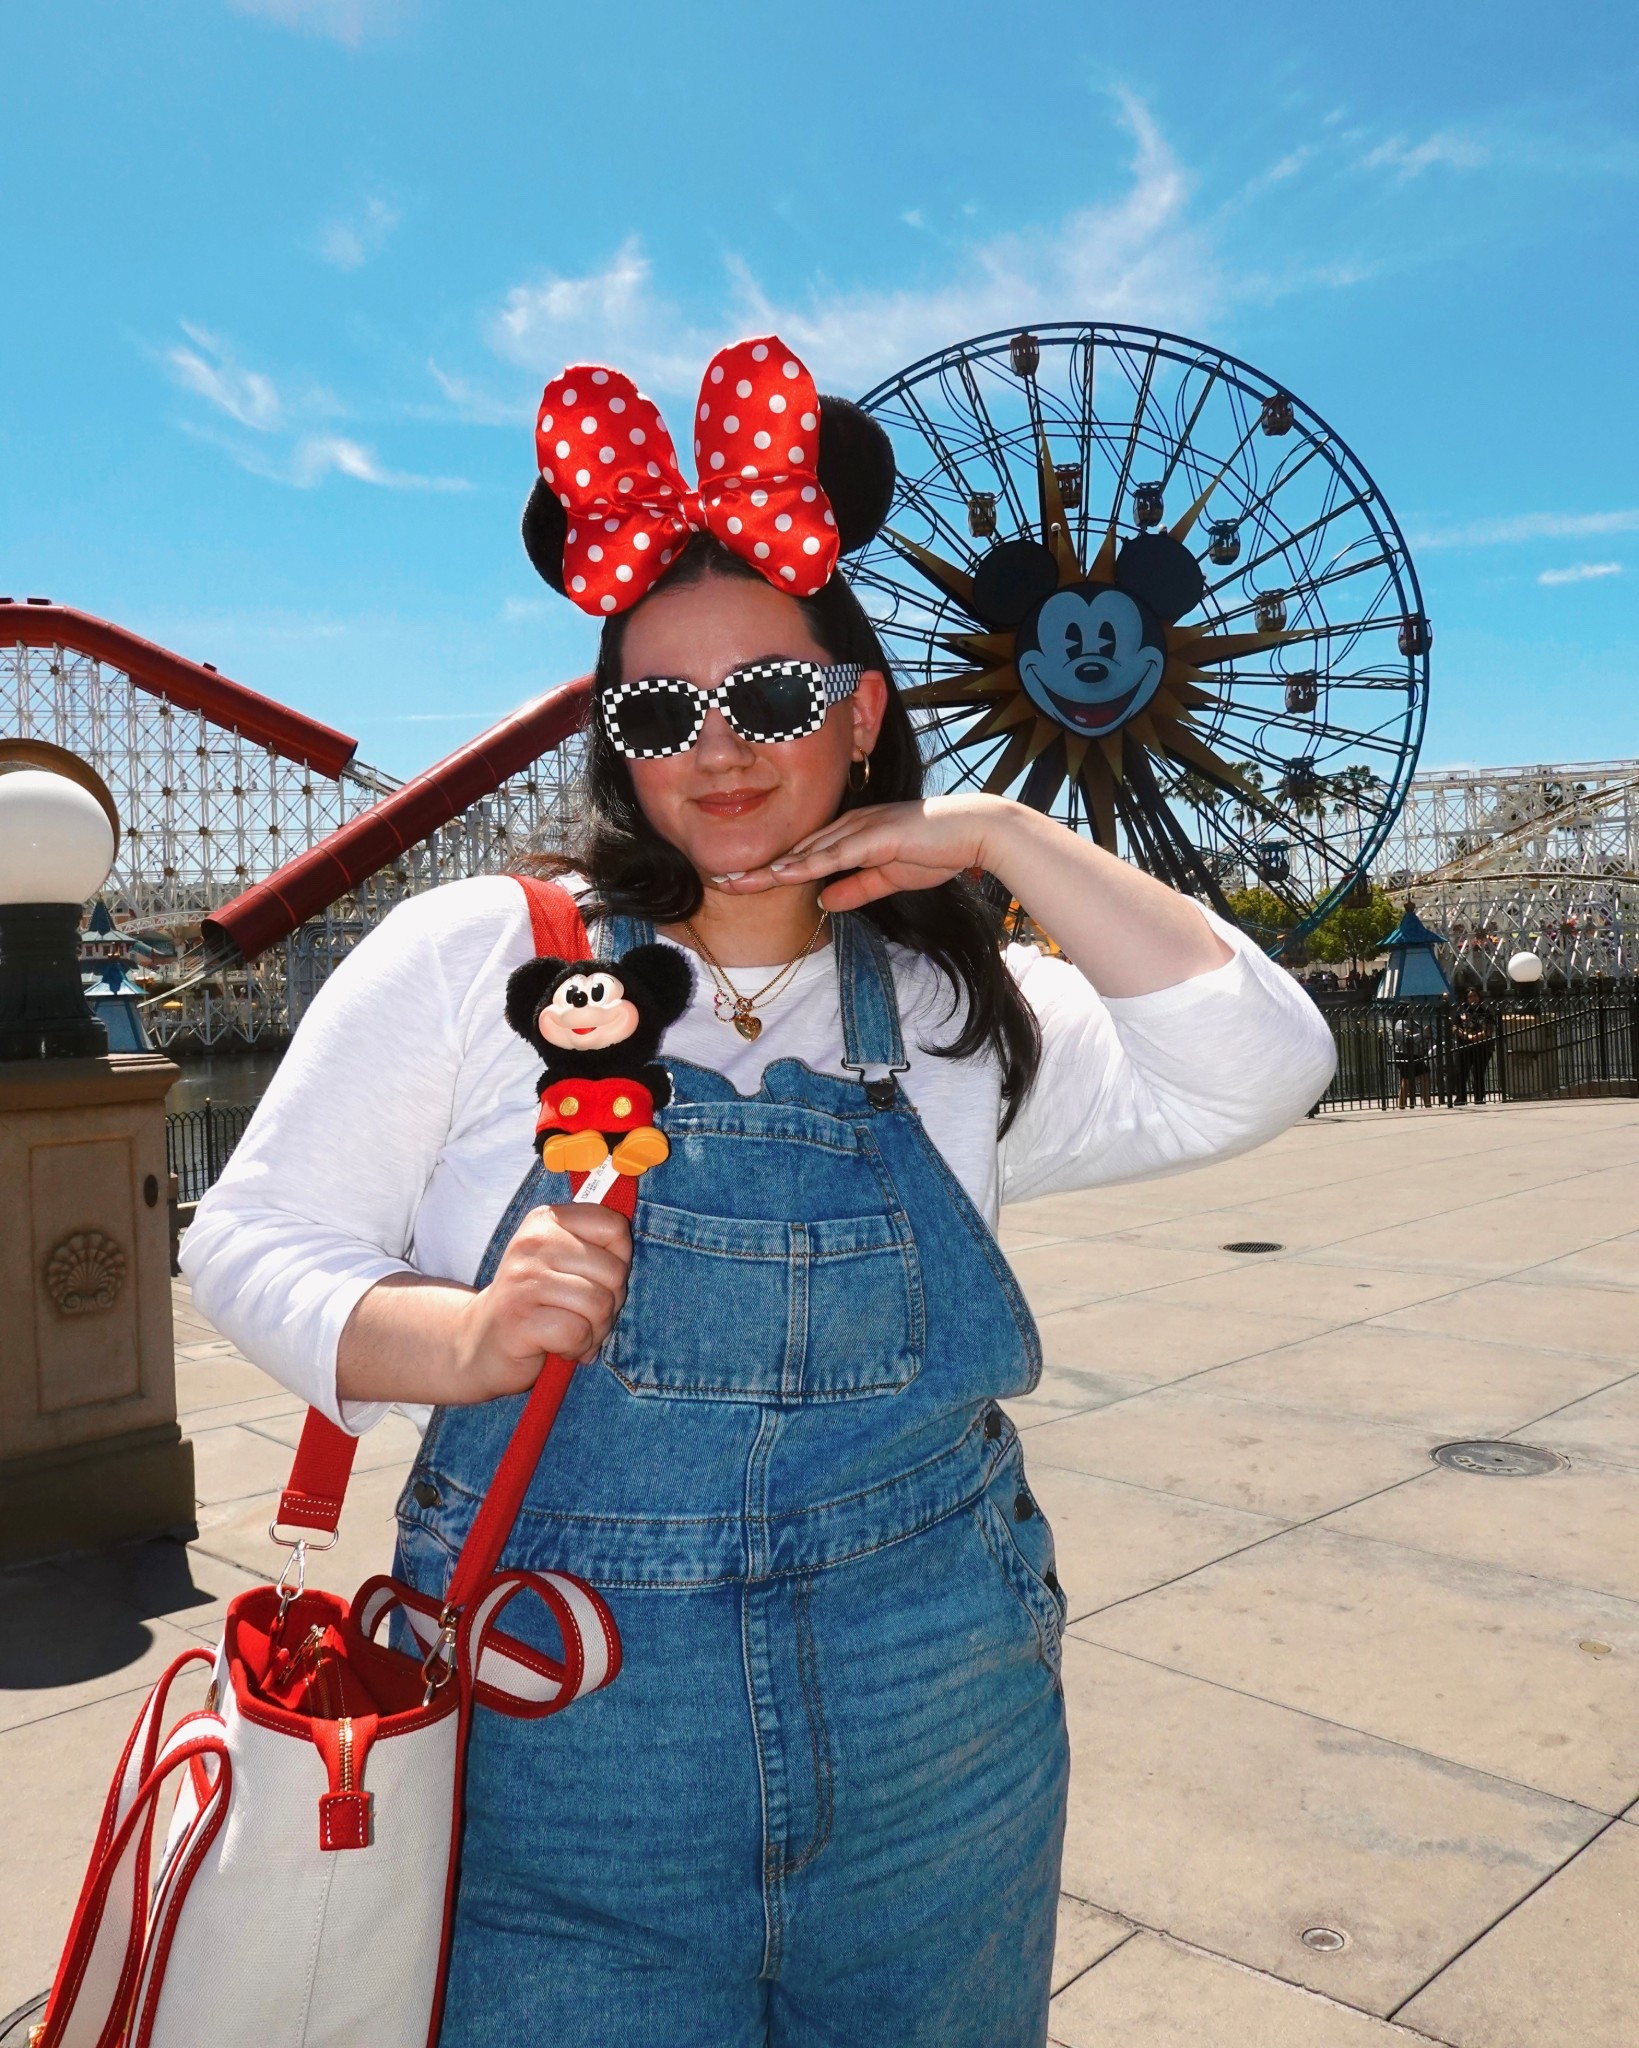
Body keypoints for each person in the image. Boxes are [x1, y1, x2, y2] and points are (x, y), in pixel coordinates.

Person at [181, 335, 1337, 2048]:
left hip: (933, 1715)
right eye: (659, 711)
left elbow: (1259, 1059)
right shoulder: (480, 954)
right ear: (614, 740)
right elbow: (244, 1240)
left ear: (861, 712)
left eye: (776, 698)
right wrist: (463, 1334)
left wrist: (1010, 842)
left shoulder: (947, 1013)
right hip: (558, 1721)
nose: (717, 750)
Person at [1450, 983, 1494, 1105]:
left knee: (1478, 1072)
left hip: (1481, 1047)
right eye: (1470, 997)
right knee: (1461, 1073)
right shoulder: (1461, 1011)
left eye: (1475, 996)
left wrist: (1477, 1037)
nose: (1473, 999)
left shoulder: (1484, 1011)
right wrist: (1466, 1036)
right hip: (1464, 1046)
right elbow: (1454, 1027)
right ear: (1466, 998)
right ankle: (1461, 1097)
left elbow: (1488, 1029)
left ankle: (1479, 1097)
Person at [1392, 1004, 1433, 1108]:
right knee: (1406, 1080)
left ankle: (1427, 1103)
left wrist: (1425, 1034)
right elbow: (1406, 1039)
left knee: (1424, 1075)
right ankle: (1401, 1105)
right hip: (1404, 1054)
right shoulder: (1401, 1023)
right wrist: (1423, 1033)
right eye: (1410, 1008)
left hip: (1416, 1054)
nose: (1413, 1010)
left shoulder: (1414, 1022)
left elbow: (1419, 1036)